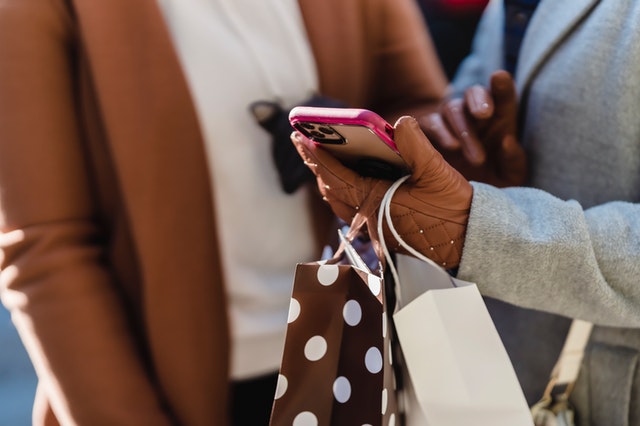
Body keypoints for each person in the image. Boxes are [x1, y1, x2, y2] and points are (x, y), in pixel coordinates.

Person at [0, 0, 451, 425]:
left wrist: (363, 141)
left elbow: (421, 110)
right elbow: (47, 252)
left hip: (373, 358)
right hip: (183, 394)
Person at [292, 0, 640, 424]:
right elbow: (471, 97)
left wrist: (478, 223)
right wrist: (465, 163)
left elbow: (487, 224)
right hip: (484, 378)